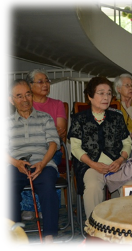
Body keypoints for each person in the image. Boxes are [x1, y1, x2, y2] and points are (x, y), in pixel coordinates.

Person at [68, 76, 132, 218]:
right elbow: (75, 148)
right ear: (90, 96)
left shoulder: (116, 117)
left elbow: (127, 143)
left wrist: (120, 160)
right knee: (93, 187)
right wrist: (93, 164)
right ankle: (95, 230)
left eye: (109, 93)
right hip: (91, 166)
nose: (106, 97)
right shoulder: (79, 119)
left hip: (116, 165)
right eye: (101, 93)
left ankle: (128, 227)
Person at [3, 79, 61, 249]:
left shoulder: (45, 118)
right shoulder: (5, 123)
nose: (25, 99)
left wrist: (42, 164)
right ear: (11, 100)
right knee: (10, 188)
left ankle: (49, 238)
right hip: (17, 164)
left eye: (28, 94)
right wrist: (16, 163)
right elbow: (2, 151)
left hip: (43, 163)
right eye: (19, 96)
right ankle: (15, 237)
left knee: (48, 187)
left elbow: (53, 144)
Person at [19, 69, 67, 221]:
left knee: (48, 165)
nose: (45, 84)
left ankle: (45, 207)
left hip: (52, 151)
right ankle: (28, 207)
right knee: (24, 162)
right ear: (30, 86)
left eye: (47, 81)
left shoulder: (57, 104)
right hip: (29, 150)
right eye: (40, 82)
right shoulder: (25, 105)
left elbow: (60, 131)